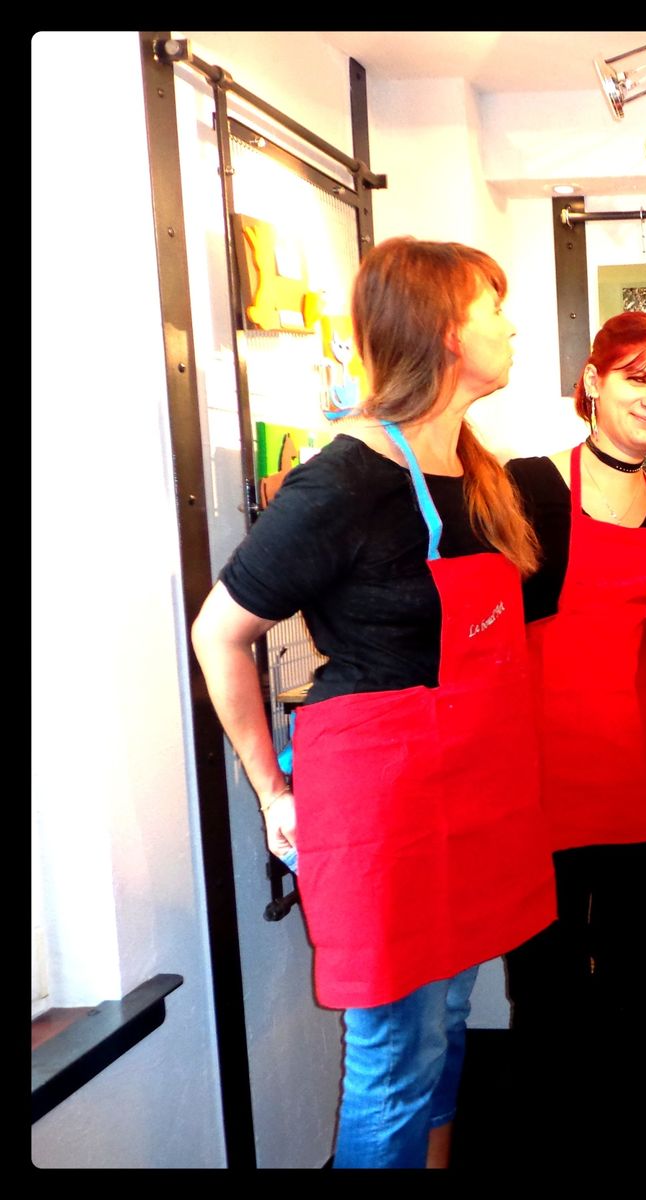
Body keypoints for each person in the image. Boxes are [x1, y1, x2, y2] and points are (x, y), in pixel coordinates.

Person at [190, 238, 556, 1168]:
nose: (511, 326)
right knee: (393, 1060)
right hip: (386, 809)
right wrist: (272, 792)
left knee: (447, 1029)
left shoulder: (474, 470)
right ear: (444, 330)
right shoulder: (344, 478)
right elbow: (218, 633)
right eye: (494, 308)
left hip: (470, 790)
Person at [501, 312, 646, 1133]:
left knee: (637, 974)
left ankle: (627, 1129)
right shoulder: (531, 485)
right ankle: (553, 1135)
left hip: (640, 774)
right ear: (593, 381)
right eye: (637, 378)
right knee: (544, 978)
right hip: (542, 777)